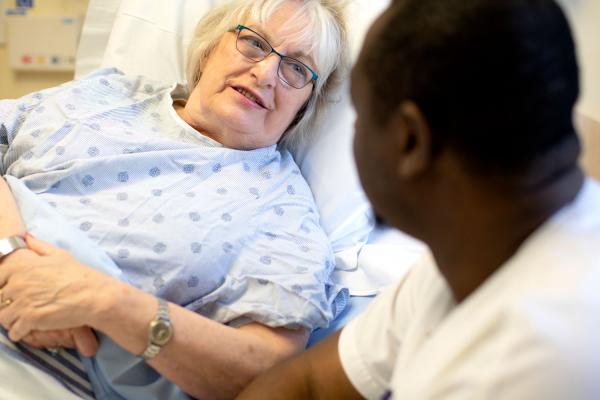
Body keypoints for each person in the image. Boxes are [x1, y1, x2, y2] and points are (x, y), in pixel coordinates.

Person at [237, 0, 600, 398]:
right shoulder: (472, 254)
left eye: (360, 114)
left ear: (409, 141)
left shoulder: (535, 361)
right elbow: (310, 384)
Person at [0, 0, 350, 398]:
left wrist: (106, 303)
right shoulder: (104, 94)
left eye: (296, 69)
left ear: (306, 105)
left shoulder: (284, 215)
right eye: (253, 43)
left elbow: (272, 372)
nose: (266, 72)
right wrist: (13, 256)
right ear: (208, 49)